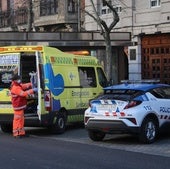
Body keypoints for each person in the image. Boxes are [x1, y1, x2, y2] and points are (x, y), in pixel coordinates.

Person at [10, 74, 38, 138]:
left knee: (21, 120)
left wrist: (31, 84)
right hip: (18, 106)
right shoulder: (15, 87)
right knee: (17, 120)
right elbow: (23, 94)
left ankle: (21, 133)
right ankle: (16, 134)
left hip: (20, 106)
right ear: (15, 80)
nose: (20, 80)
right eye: (18, 79)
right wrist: (32, 90)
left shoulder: (17, 85)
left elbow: (24, 86)